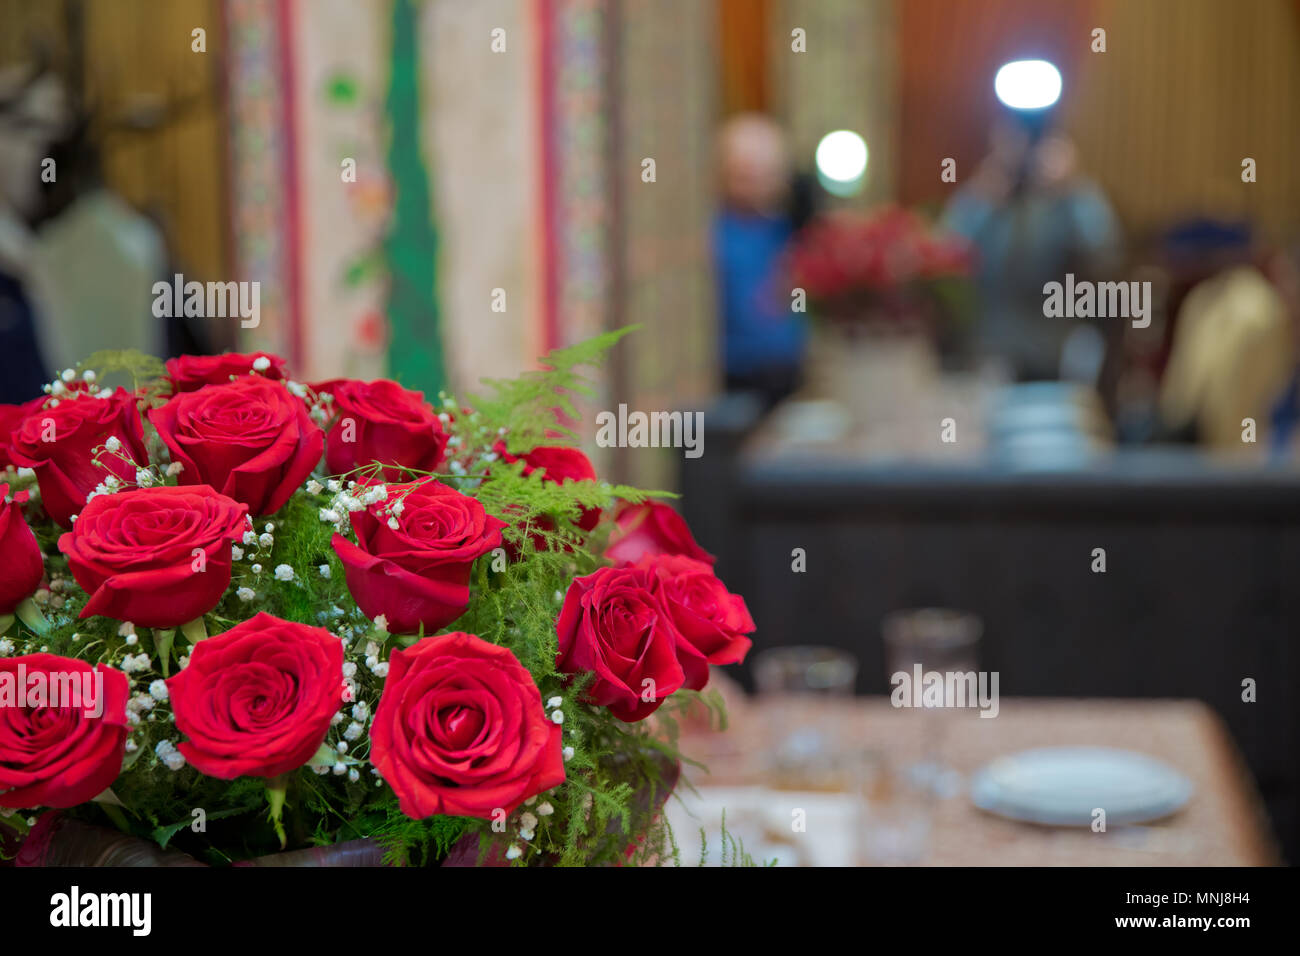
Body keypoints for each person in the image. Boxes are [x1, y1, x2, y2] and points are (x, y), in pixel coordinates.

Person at [942, 117, 1122, 382]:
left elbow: (1105, 250)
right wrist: (981, 195)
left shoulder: (1069, 203)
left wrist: (1074, 187)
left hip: (1054, 351)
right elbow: (945, 252)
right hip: (987, 348)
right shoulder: (988, 198)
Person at [712, 113, 808, 410]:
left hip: (787, 373)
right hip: (733, 375)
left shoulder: (789, 227)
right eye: (744, 176)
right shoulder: (715, 233)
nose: (757, 187)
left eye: (768, 175)